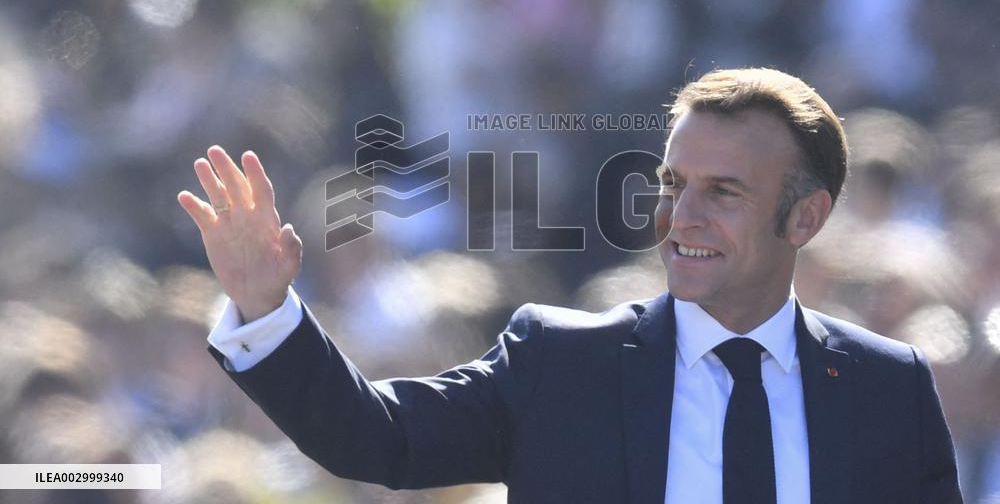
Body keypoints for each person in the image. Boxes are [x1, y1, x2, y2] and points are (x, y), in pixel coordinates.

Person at [178, 68, 964, 504]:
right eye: (671, 182)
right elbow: (376, 436)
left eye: (724, 192)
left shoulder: (884, 387)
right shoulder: (562, 363)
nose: (679, 215)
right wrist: (266, 307)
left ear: (806, 217)